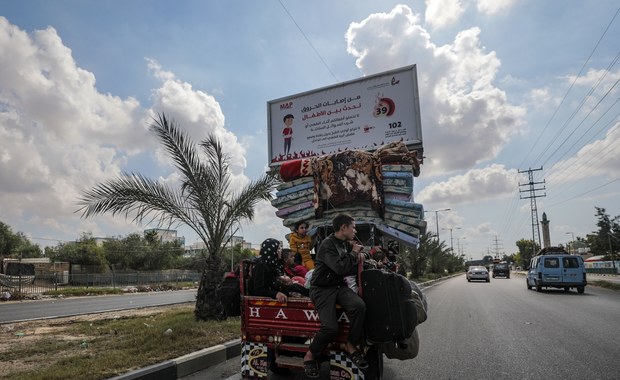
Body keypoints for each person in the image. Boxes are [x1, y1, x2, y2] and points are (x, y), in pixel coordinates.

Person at [303, 214, 368, 378]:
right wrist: (354, 254)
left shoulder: (344, 244)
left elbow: (348, 266)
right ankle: (310, 355)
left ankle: (350, 344)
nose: (355, 230)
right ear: (343, 228)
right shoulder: (327, 245)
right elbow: (340, 267)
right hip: (322, 289)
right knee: (331, 327)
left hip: (338, 286)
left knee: (359, 307)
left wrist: (361, 258)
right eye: (353, 227)